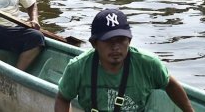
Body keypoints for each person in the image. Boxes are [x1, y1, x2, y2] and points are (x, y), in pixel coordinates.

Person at [54, 8, 195, 112]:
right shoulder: (78, 67)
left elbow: (170, 84)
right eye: (108, 41)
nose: (115, 47)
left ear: (129, 41)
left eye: (121, 40)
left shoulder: (148, 63)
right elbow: (63, 98)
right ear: (95, 44)